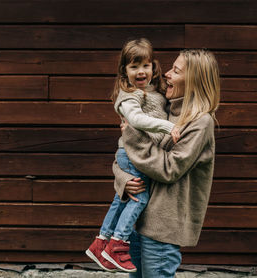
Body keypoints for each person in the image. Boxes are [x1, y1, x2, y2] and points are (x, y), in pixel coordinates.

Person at [113, 49, 220, 277]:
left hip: (162, 228)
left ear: (193, 80)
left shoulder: (200, 122)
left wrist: (133, 136)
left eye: (176, 71)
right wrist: (124, 180)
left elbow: (169, 169)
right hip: (139, 222)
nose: (167, 75)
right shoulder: (162, 110)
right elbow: (125, 154)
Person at [85, 38, 180, 273]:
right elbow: (136, 120)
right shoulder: (129, 96)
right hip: (132, 153)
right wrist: (169, 128)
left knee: (122, 200)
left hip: (136, 152)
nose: (141, 71)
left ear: (153, 67)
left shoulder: (150, 91)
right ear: (124, 71)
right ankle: (117, 243)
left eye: (145, 66)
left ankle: (102, 242)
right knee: (140, 197)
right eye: (134, 66)